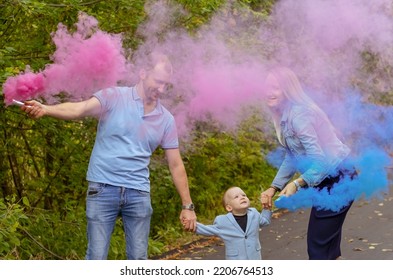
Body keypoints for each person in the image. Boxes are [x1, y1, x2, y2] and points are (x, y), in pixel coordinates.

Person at [21, 51, 197, 260]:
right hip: (103, 189)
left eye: (166, 84)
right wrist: (46, 109)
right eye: (158, 81)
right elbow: (79, 109)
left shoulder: (166, 119)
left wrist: (187, 206)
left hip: (138, 193)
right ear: (142, 73)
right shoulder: (114, 96)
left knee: (139, 260)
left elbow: (176, 165)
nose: (161, 89)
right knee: (96, 259)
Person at [260, 66, 356, 260]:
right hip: (326, 180)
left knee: (318, 251)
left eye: (275, 87)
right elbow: (293, 155)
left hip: (339, 179)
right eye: (267, 87)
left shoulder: (299, 115)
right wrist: (274, 187)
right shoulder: (283, 115)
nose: (269, 92)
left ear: (287, 90)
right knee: (327, 251)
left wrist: (296, 183)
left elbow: (320, 161)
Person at [195, 186, 271, 260]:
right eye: (236, 197)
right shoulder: (223, 221)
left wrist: (266, 209)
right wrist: (192, 225)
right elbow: (208, 230)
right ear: (229, 207)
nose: (242, 197)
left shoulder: (254, 214)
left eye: (244, 195)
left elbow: (265, 221)